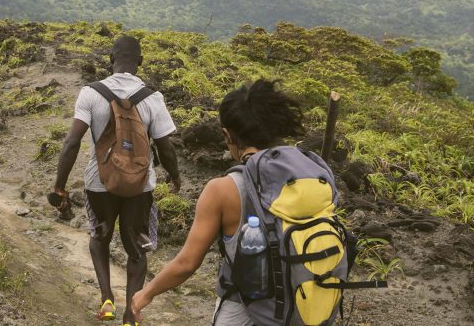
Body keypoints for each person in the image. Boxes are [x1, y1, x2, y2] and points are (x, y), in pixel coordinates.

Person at [130, 79, 306, 325]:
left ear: (227, 135)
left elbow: (187, 263)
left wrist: (146, 293)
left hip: (245, 311)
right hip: (305, 305)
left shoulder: (223, 189)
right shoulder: (312, 176)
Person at [52, 35, 181, 325]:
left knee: (100, 236)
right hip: (139, 185)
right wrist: (174, 177)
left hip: (99, 182)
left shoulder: (90, 93)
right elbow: (166, 147)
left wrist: (60, 185)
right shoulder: (153, 98)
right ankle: (131, 316)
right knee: (136, 247)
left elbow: (72, 142)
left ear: (110, 59)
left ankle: (107, 301)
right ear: (140, 62)